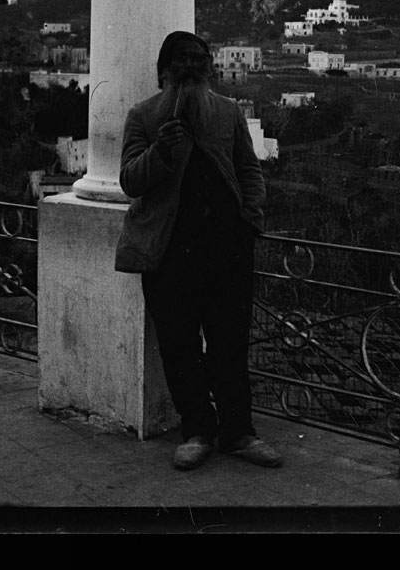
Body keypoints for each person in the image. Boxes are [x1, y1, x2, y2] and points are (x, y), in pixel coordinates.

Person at [116, 30, 281, 471]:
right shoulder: (143, 116)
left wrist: (250, 217)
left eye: (197, 60)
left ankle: (239, 432)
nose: (189, 67)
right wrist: (161, 152)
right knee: (179, 346)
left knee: (230, 342)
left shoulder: (227, 113)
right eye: (181, 60)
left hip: (227, 249)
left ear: (208, 68)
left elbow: (250, 171)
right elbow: (130, 180)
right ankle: (197, 432)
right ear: (163, 71)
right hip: (169, 252)